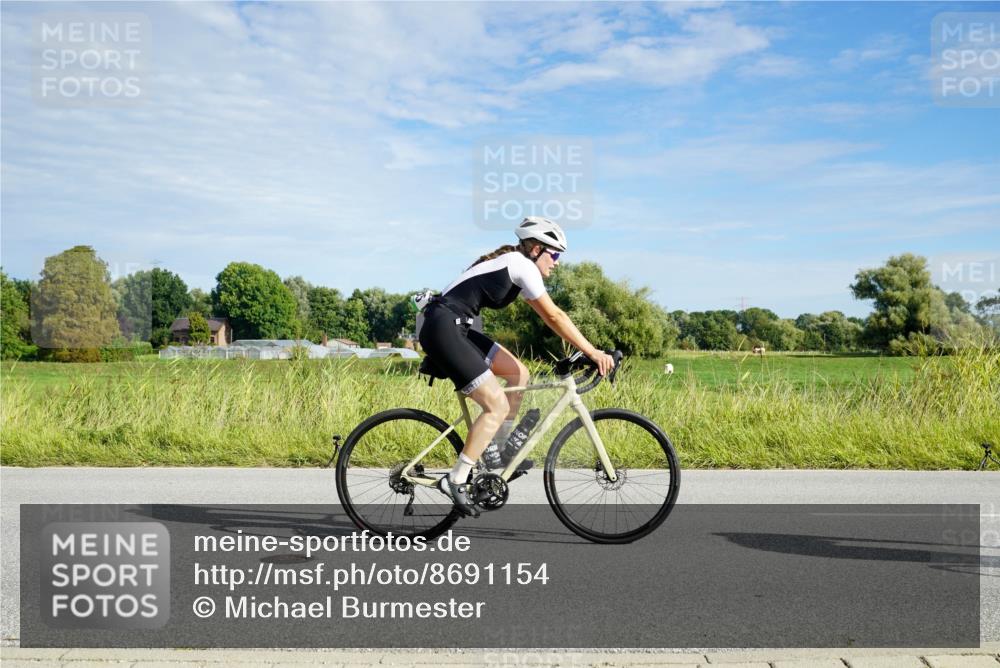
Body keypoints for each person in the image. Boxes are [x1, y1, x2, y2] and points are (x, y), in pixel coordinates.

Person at [418, 216, 615, 517]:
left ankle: (497, 450)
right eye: (556, 254)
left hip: (455, 326)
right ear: (536, 249)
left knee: (518, 373)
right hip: (443, 327)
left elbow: (549, 319)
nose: (558, 262)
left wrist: (584, 352)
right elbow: (555, 317)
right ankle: (455, 479)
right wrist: (593, 351)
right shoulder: (521, 264)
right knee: (495, 406)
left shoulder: (516, 265)